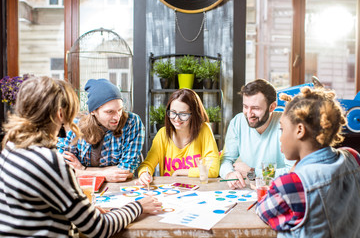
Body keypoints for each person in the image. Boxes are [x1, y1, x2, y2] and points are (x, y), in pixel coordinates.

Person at [0, 76, 162, 237]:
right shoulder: (49, 161)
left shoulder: (12, 147)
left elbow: (38, 210)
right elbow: (98, 228)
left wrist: (84, 211)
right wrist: (138, 206)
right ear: (59, 114)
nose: (73, 121)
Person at [256, 87, 360, 237]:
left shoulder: (291, 184)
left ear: (300, 130)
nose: (280, 138)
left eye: (282, 129)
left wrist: (294, 170)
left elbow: (263, 212)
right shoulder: (352, 156)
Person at [57, 78, 145, 182]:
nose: (117, 117)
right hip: (84, 187)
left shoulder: (132, 122)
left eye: (120, 110)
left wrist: (83, 169)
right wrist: (104, 174)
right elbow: (62, 170)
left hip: (119, 188)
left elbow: (126, 171)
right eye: (110, 112)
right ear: (93, 111)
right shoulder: (74, 125)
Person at [136, 89, 220, 186]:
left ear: (194, 115)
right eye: (173, 112)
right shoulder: (162, 134)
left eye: (183, 114)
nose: (177, 119)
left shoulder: (204, 130)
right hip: (170, 193)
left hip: (198, 192)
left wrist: (181, 172)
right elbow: (147, 164)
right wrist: (144, 174)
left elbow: (213, 169)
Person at [219, 79, 292, 189]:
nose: (249, 114)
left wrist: (253, 172)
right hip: (249, 190)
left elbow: (292, 172)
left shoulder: (285, 123)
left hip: (280, 191)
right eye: (245, 107)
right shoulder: (237, 122)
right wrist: (229, 174)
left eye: (255, 108)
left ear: (272, 107)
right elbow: (226, 160)